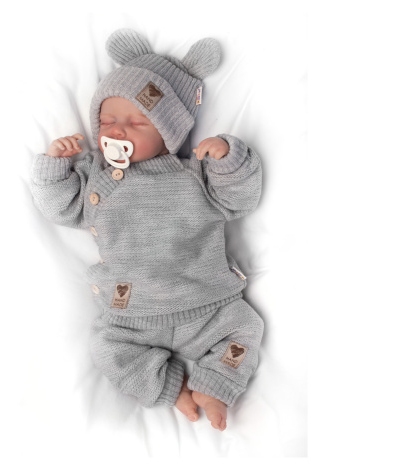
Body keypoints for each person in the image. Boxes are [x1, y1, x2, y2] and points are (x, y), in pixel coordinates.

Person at [30, 29, 264, 431]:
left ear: (169, 133)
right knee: (107, 350)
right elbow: (61, 209)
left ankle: (216, 384)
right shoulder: (96, 178)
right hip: (130, 314)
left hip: (207, 303)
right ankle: (172, 388)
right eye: (107, 121)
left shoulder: (194, 174)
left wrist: (228, 159)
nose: (117, 131)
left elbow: (241, 198)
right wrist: (55, 167)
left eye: (137, 121)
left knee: (245, 331)